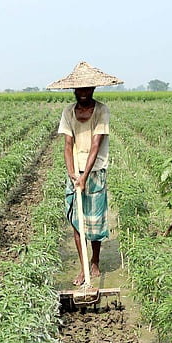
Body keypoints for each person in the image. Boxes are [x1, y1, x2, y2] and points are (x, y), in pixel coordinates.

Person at [47, 62, 123, 286]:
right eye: (79, 89)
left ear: (93, 89)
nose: (83, 93)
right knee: (77, 222)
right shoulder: (68, 113)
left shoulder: (102, 111)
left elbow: (95, 145)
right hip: (75, 174)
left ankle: (96, 261)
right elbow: (67, 144)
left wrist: (85, 176)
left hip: (95, 171)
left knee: (95, 221)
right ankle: (83, 268)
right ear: (73, 90)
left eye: (87, 89)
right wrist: (72, 174)